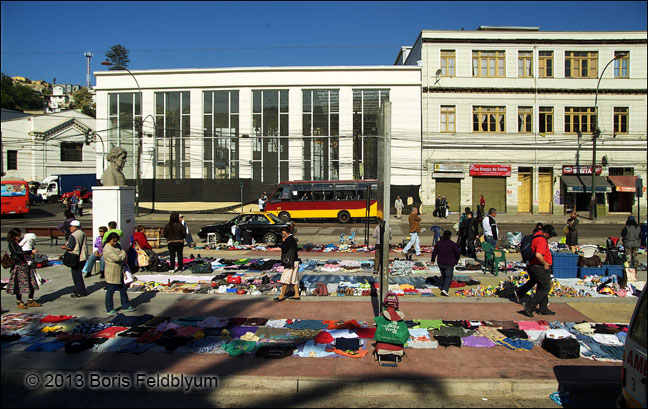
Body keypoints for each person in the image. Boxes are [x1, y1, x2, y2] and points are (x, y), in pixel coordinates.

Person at [520, 224, 557, 317]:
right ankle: (530, 306)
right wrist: (545, 263)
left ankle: (543, 308)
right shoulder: (541, 240)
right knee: (545, 287)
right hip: (539, 267)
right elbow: (538, 255)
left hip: (534, 265)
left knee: (541, 286)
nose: (550, 237)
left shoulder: (536, 236)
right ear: (546, 233)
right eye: (550, 235)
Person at [103, 230, 136, 315]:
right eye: (113, 241)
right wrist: (122, 255)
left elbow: (123, 254)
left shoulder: (117, 246)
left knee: (123, 289)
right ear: (109, 240)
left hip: (120, 271)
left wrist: (122, 255)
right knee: (110, 291)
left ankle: (125, 305)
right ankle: (109, 308)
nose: (115, 242)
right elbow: (117, 258)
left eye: (116, 241)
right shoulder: (107, 248)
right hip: (112, 272)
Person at [6, 228, 41, 309]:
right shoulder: (12, 243)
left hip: (26, 264)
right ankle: (19, 301)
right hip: (19, 265)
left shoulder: (18, 242)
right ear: (15, 236)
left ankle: (30, 300)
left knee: (31, 281)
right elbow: (16, 252)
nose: (20, 236)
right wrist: (30, 252)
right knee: (19, 283)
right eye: (19, 235)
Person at [61, 219, 88, 298]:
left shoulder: (74, 235)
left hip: (75, 257)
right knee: (79, 274)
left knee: (76, 275)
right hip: (83, 256)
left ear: (75, 227)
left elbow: (70, 247)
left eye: (71, 227)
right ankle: (81, 290)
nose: (70, 228)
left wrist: (64, 247)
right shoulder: (82, 233)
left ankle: (80, 291)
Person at [431, 230, 461, 297]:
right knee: (448, 277)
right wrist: (456, 260)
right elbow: (458, 253)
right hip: (449, 263)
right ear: (450, 236)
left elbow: (434, 252)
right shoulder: (452, 244)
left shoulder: (439, 243)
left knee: (444, 275)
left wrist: (432, 260)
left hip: (441, 262)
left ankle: (443, 286)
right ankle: (445, 290)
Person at [274, 227, 300, 301]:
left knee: (286, 279)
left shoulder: (288, 240)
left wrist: (283, 241)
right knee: (294, 279)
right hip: (295, 261)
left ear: (288, 232)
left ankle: (281, 296)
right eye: (282, 233)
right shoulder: (293, 239)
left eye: (284, 233)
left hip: (290, 262)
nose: (283, 235)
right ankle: (297, 294)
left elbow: (284, 249)